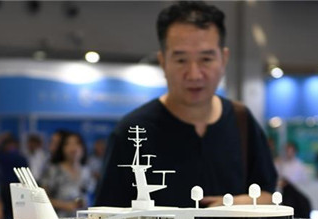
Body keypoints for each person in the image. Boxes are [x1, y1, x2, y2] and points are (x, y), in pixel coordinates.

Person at [95, 1, 276, 208]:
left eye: (206, 59)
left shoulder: (242, 121)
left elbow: (269, 195)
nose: (194, 74)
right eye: (181, 60)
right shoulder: (132, 131)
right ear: (163, 62)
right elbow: (106, 213)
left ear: (224, 59)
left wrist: (235, 205)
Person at [40, 132, 95, 217]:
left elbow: (90, 196)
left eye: (77, 143)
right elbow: (41, 198)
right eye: (68, 144)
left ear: (83, 147)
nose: (73, 147)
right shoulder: (54, 170)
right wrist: (64, 205)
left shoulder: (87, 171)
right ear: (62, 148)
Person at [0, 134, 29, 219]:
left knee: (14, 212)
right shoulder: (20, 157)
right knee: (13, 211)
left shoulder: (2, 156)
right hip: (11, 188)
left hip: (13, 187)